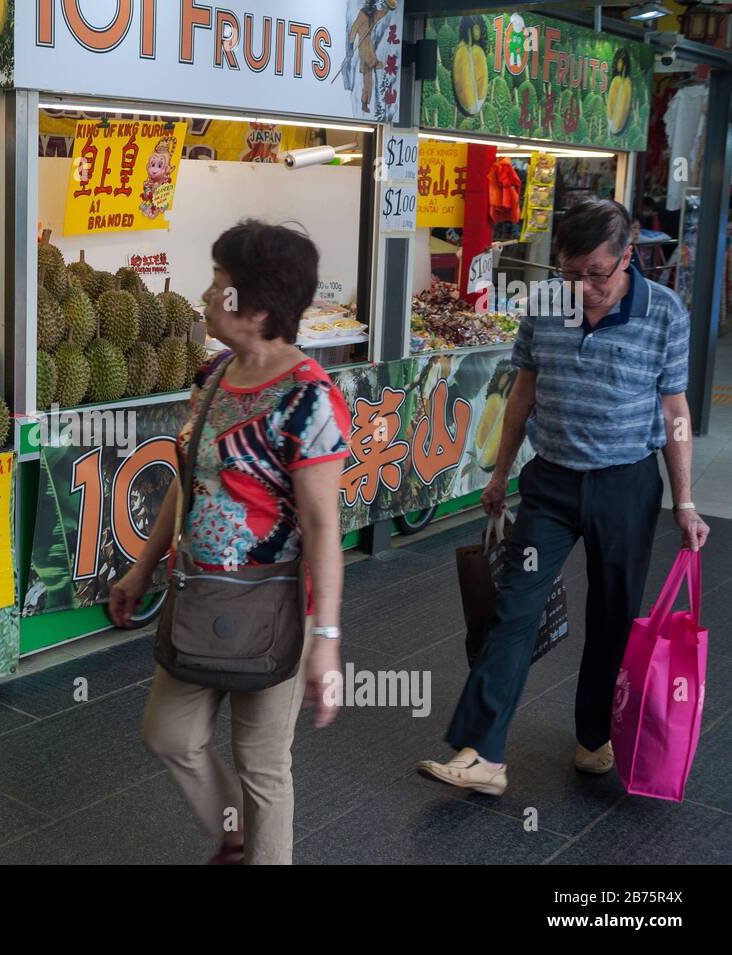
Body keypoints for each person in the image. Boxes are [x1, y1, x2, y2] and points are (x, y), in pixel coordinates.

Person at [418, 198, 709, 797]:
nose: (583, 288)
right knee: (514, 607)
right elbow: (523, 391)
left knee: (612, 615)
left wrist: (684, 501)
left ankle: (595, 736)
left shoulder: (664, 312)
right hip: (550, 483)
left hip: (626, 486)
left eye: (596, 274)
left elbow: (673, 408)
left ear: (626, 257)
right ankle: (484, 752)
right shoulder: (546, 304)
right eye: (571, 273)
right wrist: (499, 474)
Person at [110, 220, 352, 865]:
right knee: (169, 733)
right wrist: (141, 569)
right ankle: (236, 833)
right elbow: (188, 479)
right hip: (198, 592)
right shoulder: (215, 374)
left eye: (221, 282)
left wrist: (327, 642)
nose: (208, 293)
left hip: (274, 606)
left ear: (259, 307)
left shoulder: (309, 399)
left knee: (262, 765)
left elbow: (323, 526)